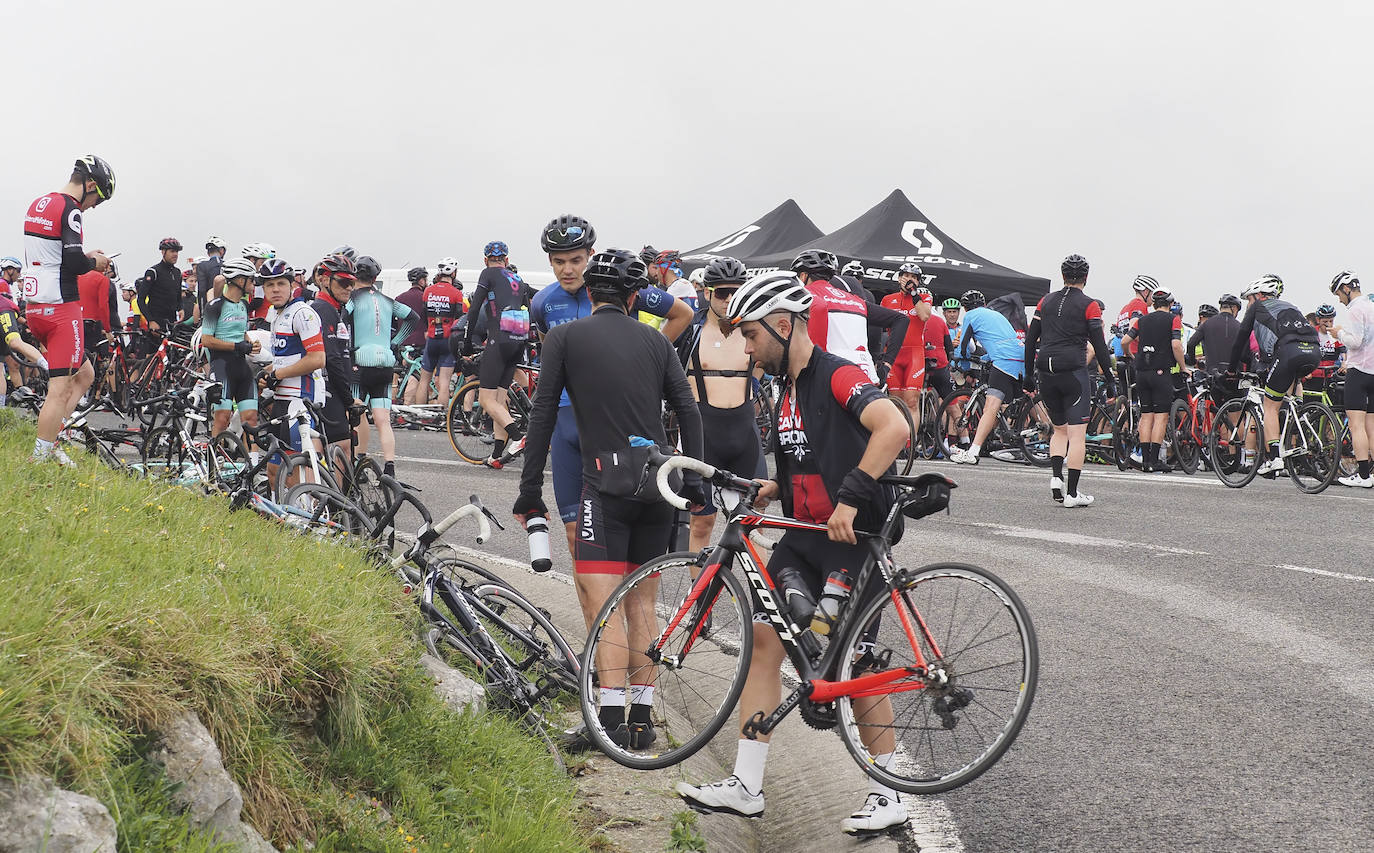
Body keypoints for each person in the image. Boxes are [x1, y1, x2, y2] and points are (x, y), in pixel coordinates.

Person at [674, 271, 911, 836]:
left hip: (852, 542)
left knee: (857, 662)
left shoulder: (838, 376)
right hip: (803, 539)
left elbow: (893, 426)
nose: (747, 350)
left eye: (752, 336)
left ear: (784, 325)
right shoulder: (785, 389)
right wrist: (775, 486)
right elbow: (808, 456)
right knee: (764, 644)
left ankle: (889, 790)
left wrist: (851, 499)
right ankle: (746, 785)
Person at [514, 248, 704, 753]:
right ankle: (642, 721)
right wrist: (697, 480)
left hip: (606, 483)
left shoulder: (565, 336)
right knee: (643, 599)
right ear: (637, 297)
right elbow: (686, 406)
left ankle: (611, 720)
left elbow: (543, 414)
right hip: (661, 482)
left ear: (591, 294)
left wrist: (529, 488)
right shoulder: (654, 340)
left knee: (605, 601)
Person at [529, 214, 693, 556]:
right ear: (549, 261)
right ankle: (595, 609)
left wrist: (653, 359)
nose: (568, 270)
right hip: (565, 422)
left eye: (576, 260)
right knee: (577, 534)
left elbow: (683, 314)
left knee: (621, 535)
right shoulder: (542, 303)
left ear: (591, 254)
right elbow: (549, 355)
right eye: (559, 262)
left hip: (613, 421)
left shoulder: (617, 289)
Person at [23, 155, 114, 465]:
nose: (92, 207)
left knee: (85, 374)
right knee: (59, 390)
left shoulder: (40, 203)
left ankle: (53, 437)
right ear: (89, 185)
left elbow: (54, 254)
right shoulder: (71, 208)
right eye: (97, 199)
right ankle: (41, 458)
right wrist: (95, 263)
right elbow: (75, 264)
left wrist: (82, 256)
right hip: (61, 308)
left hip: (36, 307)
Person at [675, 256, 766, 552]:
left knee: (755, 525)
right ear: (707, 292)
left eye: (736, 293)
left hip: (744, 432)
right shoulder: (691, 331)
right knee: (702, 522)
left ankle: (760, 596)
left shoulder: (754, 330)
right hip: (704, 434)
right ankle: (696, 596)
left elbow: (765, 366)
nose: (729, 300)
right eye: (723, 293)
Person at [1023, 254, 1116, 507]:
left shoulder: (1045, 301)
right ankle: (1073, 494)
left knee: (1059, 429)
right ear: (1086, 277)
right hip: (1073, 370)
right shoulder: (1090, 305)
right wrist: (1110, 378)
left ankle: (1056, 478)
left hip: (1045, 370)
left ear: (1062, 275)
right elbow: (1099, 344)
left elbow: (1031, 340)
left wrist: (1028, 375)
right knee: (1077, 435)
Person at [1225, 274, 1320, 476]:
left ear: (1259, 295)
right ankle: (1296, 421)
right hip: (1313, 351)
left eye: (1249, 299)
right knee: (1284, 397)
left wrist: (1231, 369)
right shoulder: (1291, 306)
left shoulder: (1257, 307)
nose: (1248, 304)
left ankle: (1275, 458)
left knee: (1270, 406)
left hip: (1288, 352)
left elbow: (1240, 339)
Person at [346, 255, 417, 477]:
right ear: (376, 277)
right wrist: (394, 343)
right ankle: (389, 467)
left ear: (355, 276)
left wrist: (346, 348)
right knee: (383, 419)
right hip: (385, 362)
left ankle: (358, 464)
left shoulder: (352, 299)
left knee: (357, 415)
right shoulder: (388, 300)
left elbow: (341, 320)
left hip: (360, 361)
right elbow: (413, 318)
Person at [462, 242, 531, 467]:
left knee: (485, 399)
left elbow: (474, 309)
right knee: (500, 401)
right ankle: (497, 456)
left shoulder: (487, 273)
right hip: (518, 339)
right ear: (507, 260)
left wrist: (466, 341)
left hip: (498, 339)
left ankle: (519, 437)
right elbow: (526, 308)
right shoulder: (518, 279)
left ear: (485, 260)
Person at [792, 249, 906, 384]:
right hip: (865, 375)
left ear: (804, 276)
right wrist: (886, 365)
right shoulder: (856, 300)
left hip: (831, 375)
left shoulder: (805, 295)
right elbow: (901, 319)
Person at [262, 258, 325, 487]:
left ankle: (307, 518)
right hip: (283, 400)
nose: (275, 289)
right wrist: (266, 372)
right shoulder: (278, 315)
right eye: (270, 285)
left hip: (300, 400)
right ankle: (283, 520)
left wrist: (277, 375)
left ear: (291, 285)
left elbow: (317, 359)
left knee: (293, 472)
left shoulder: (302, 313)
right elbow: (284, 359)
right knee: (273, 470)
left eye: (280, 283)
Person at [950, 290, 1027, 464]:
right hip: (1020, 355)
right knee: (1023, 401)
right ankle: (1040, 440)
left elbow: (964, 346)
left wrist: (961, 364)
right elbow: (1001, 340)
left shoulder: (970, 316)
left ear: (964, 308)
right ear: (984, 304)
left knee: (990, 408)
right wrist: (986, 357)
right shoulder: (997, 315)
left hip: (1003, 359)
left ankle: (973, 451)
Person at [1123, 286, 1189, 472]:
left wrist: (1130, 355)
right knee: (1161, 417)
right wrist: (1183, 367)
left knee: (1146, 416)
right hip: (1161, 372)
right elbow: (1176, 344)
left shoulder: (1142, 320)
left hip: (1142, 372)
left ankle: (1144, 461)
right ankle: (1154, 461)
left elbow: (1124, 341)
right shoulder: (1173, 319)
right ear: (1170, 303)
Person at [200, 257, 261, 436]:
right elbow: (207, 340)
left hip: (241, 367)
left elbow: (242, 333)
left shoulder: (243, 305)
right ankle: (213, 461)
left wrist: (250, 343)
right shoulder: (215, 306)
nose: (254, 284)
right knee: (222, 418)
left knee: (251, 419)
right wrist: (237, 346)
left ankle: (254, 463)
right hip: (222, 367)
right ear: (240, 281)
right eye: (251, 279)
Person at [309, 254, 357, 458]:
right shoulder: (322, 309)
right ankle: (329, 491)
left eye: (352, 283)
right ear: (325, 281)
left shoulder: (336, 310)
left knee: (338, 448)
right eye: (344, 282)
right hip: (327, 389)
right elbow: (332, 358)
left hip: (335, 389)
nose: (349, 288)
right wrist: (348, 400)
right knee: (340, 448)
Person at [1330, 271, 1374, 487]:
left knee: (1357, 426)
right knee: (1372, 427)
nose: (1339, 298)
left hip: (1359, 372)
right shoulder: (1372, 306)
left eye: (1338, 293)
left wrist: (1338, 333)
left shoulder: (1356, 310)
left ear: (1346, 289)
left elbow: (1355, 342)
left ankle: (1364, 476)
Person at [879, 263, 932, 420]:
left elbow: (924, 316)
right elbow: (880, 327)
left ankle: (911, 443)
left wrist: (914, 294)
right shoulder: (887, 299)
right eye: (906, 276)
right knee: (895, 401)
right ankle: (898, 442)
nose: (909, 279)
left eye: (914, 277)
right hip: (893, 355)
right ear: (899, 278)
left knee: (911, 401)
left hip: (914, 353)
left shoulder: (924, 298)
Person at [418, 257, 467, 409]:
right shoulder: (456, 293)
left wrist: (428, 329)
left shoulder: (428, 291)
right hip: (448, 340)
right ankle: (441, 417)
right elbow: (460, 319)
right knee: (444, 382)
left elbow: (423, 313)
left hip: (431, 338)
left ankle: (419, 416)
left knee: (424, 380)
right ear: (454, 273)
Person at [0, 289, 46, 406]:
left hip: (3, 309)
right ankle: (3, 407)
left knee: (14, 342)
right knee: (5, 366)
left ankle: (48, 367)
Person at [396, 266, 430, 405]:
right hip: (420, 342)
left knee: (404, 374)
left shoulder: (399, 298)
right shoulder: (425, 298)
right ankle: (408, 407)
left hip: (403, 342)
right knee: (415, 377)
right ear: (421, 281)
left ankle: (399, 405)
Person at [137, 238, 183, 334]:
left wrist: (180, 308)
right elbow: (140, 299)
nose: (175, 254)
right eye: (172, 251)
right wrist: (150, 320)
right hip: (156, 322)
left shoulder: (177, 272)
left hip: (172, 321)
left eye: (177, 252)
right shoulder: (153, 272)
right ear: (163, 252)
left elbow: (178, 295)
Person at [1310, 303, 1345, 389]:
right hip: (1313, 374)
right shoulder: (1312, 333)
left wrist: (1344, 362)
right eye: (1325, 321)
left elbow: (1343, 351)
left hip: (1330, 374)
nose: (1328, 324)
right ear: (1318, 320)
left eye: (1331, 321)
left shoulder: (1336, 333)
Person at [197, 237, 226, 309]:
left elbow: (201, 291)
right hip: (227, 307)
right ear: (222, 251)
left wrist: (203, 314)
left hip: (211, 307)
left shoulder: (202, 266)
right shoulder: (228, 265)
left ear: (208, 253)